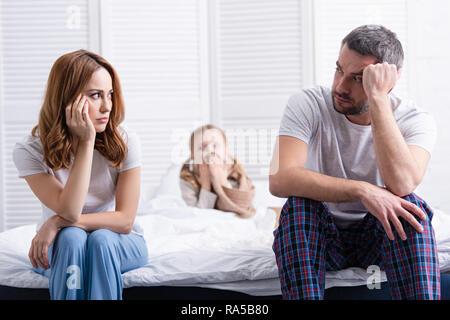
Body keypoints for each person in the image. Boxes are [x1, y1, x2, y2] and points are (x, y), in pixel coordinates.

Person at [269, 25, 439, 300]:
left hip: (379, 237)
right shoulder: (307, 103)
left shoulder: (416, 120)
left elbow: (402, 183)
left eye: (358, 78)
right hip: (320, 235)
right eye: (339, 70)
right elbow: (280, 179)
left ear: (389, 81)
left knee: (411, 208)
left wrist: (378, 99)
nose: (340, 86)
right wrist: (363, 189)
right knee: (299, 206)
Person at [12, 49, 148, 300]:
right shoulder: (29, 149)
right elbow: (71, 210)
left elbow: (125, 221)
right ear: (66, 98)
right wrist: (86, 143)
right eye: (96, 95)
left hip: (119, 241)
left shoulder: (126, 141)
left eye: (110, 95)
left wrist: (55, 222)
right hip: (63, 244)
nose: (107, 106)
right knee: (73, 237)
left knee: (101, 240)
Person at [179, 124, 256, 218]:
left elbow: (240, 209)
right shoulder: (188, 179)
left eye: (215, 145)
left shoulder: (236, 174)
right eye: (202, 147)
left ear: (226, 151)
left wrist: (223, 183)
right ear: (193, 156)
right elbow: (198, 216)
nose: (211, 150)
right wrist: (205, 185)